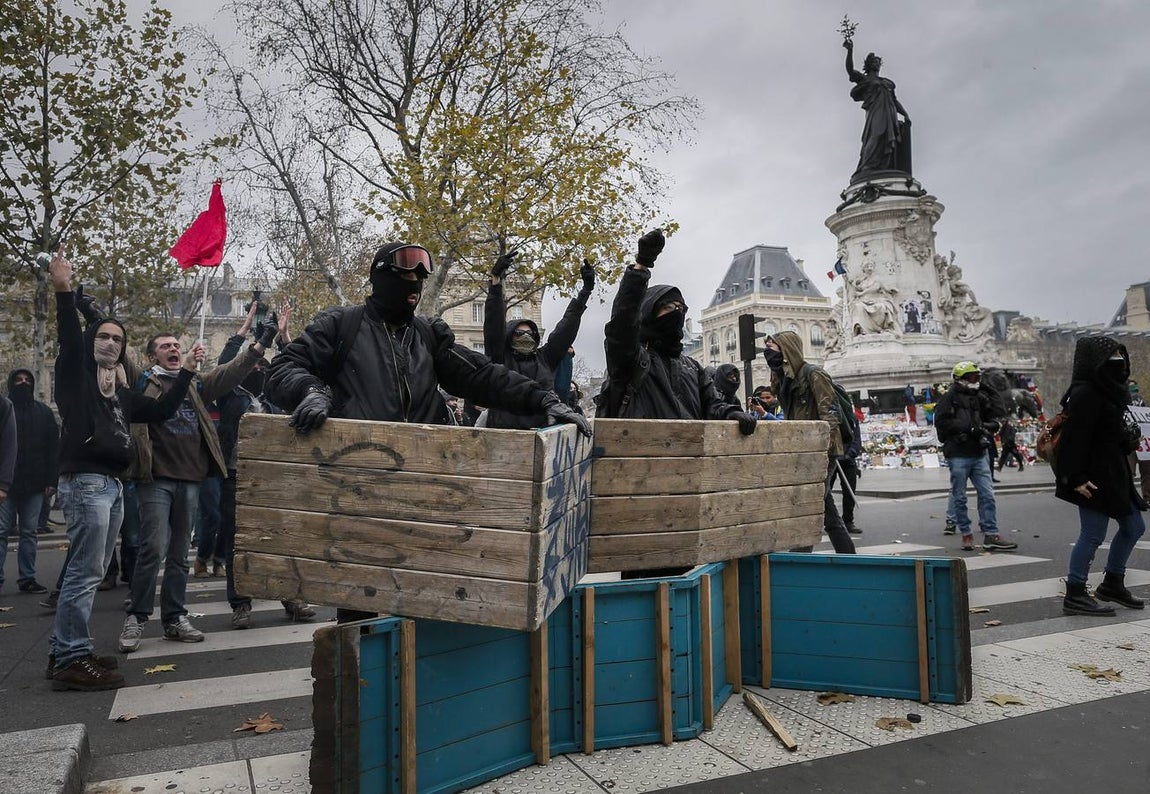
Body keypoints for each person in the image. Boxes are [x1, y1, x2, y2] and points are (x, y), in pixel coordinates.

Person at [267, 242, 589, 615]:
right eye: (407, 273)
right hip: (359, 496)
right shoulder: (341, 325)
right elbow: (283, 369)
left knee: (422, 608)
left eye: (422, 275)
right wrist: (311, 393)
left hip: (424, 494)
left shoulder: (428, 335)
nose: (416, 283)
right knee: (362, 614)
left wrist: (543, 399)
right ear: (381, 276)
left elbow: (481, 376)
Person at [47, 246, 202, 690]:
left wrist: (188, 372)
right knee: (85, 571)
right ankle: (71, 660)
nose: (111, 343)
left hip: (113, 486)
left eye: (118, 339)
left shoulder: (122, 393)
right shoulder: (76, 376)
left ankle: (65, 650)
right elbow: (66, 335)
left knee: (90, 570)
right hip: (87, 483)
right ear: (90, 343)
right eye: (103, 337)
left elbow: (163, 410)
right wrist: (63, 288)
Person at [118, 312, 279, 654]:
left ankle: (175, 618)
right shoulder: (141, 381)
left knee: (179, 555)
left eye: (177, 344)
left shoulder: (197, 384)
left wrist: (261, 342)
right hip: (155, 479)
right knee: (153, 549)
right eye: (165, 346)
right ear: (152, 357)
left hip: (191, 479)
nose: (173, 348)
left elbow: (233, 370)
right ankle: (136, 617)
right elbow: (117, 354)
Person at [599, 230, 757, 576]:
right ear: (649, 313)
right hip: (641, 484)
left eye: (680, 308)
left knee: (683, 571)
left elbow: (713, 405)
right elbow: (621, 325)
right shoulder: (631, 360)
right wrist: (641, 268)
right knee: (643, 574)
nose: (676, 312)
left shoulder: (692, 367)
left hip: (685, 483)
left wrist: (734, 413)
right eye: (668, 307)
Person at [214, 303, 316, 629]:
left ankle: (291, 598)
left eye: (263, 363)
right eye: (253, 362)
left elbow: (296, 370)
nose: (258, 366)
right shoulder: (230, 395)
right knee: (236, 542)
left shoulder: (276, 399)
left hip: (273, 480)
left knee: (281, 538)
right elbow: (222, 367)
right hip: (235, 477)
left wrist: (286, 337)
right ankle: (241, 604)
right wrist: (242, 333)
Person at [1056, 337, 1147, 616]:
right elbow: (1073, 440)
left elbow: (1104, 432)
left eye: (1121, 353)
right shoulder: (1086, 393)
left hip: (1114, 470)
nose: (1119, 360)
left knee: (1134, 527)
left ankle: (1112, 583)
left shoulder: (1109, 392)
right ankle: (1075, 592)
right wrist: (1076, 477)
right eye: (1112, 355)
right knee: (1093, 534)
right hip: (1092, 475)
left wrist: (1126, 439)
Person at [763, 331, 856, 554]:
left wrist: (822, 450)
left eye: (771, 347)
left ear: (787, 350)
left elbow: (830, 413)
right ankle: (848, 556)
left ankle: (799, 561)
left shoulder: (814, 374)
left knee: (806, 506)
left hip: (821, 452)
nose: (767, 353)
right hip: (802, 451)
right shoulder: (784, 378)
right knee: (827, 511)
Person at [483, 254, 594, 429]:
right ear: (510, 335)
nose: (525, 336)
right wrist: (496, 282)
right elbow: (493, 325)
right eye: (519, 333)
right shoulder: (500, 358)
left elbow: (566, 327)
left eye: (529, 333)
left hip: (541, 434)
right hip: (504, 435)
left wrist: (585, 293)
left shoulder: (545, 358)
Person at [933, 362, 1018, 552]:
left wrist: (988, 389)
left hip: (979, 452)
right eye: (972, 378)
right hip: (958, 454)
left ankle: (991, 534)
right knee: (960, 497)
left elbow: (999, 411)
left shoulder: (979, 397)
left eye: (977, 377)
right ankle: (966, 533)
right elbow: (941, 425)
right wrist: (968, 429)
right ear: (960, 379)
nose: (975, 381)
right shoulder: (948, 399)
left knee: (988, 494)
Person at [0, 368, 58, 594]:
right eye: (18, 380)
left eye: (27, 380)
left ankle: (27, 578)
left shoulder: (43, 412)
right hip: (6, 483)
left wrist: (52, 479)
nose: (23, 383)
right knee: (1, 531)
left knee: (29, 532)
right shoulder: (5, 409)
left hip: (34, 484)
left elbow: (54, 448)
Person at [843, 39, 911, 179]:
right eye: (874, 62)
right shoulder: (865, 79)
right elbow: (850, 71)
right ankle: (867, 166)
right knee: (876, 135)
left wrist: (905, 114)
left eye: (878, 63)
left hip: (890, 112)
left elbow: (895, 100)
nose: (877, 64)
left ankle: (885, 166)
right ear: (868, 65)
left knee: (889, 138)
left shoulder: (887, 82)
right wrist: (850, 51)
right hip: (875, 111)